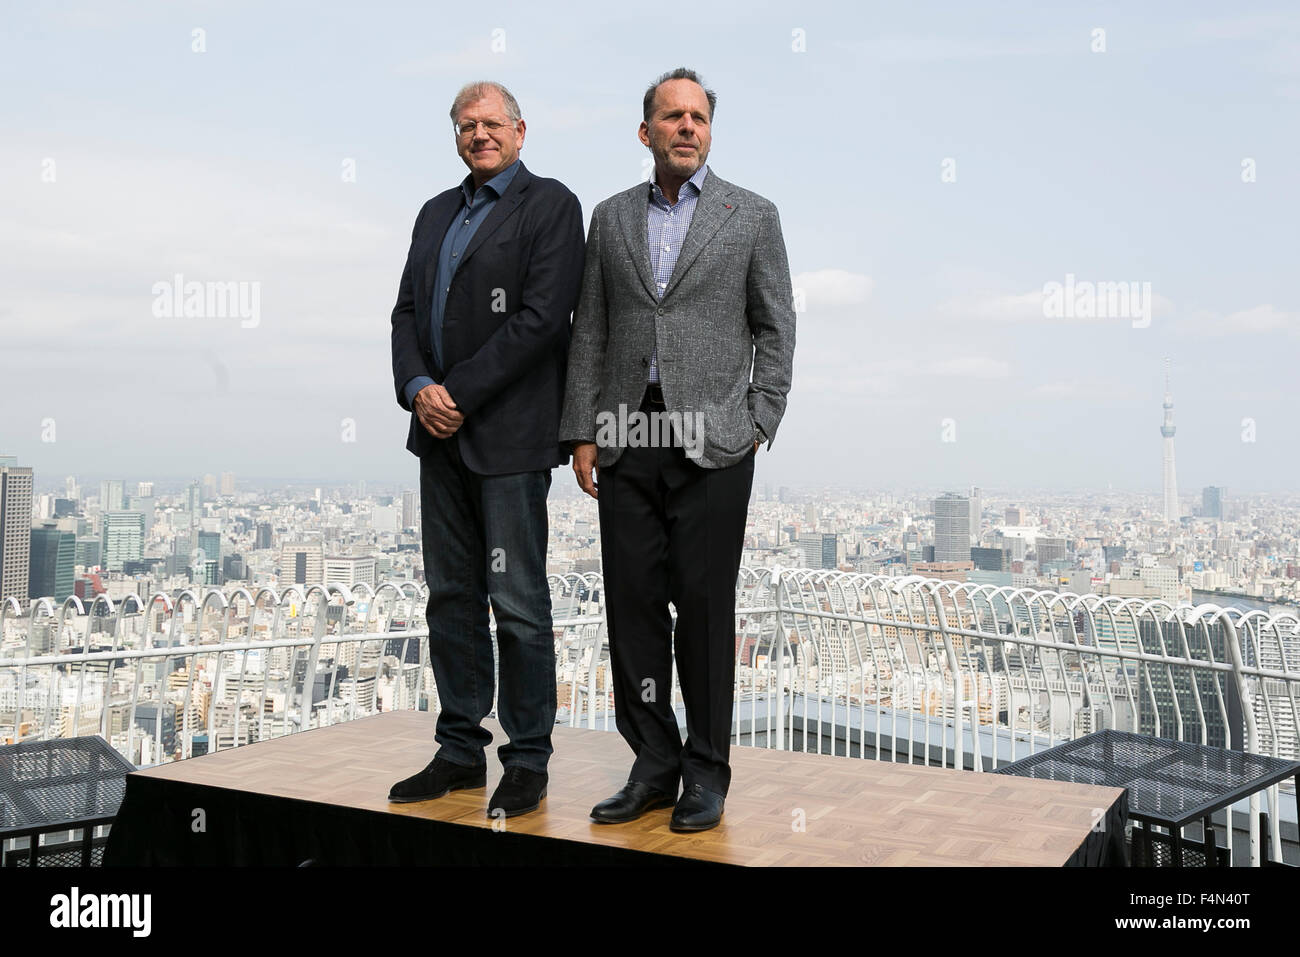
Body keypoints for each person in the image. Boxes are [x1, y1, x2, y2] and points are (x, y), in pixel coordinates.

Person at [559, 68, 795, 832]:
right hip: (628, 436)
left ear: (709, 131)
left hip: (716, 442)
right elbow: (589, 328)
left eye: (698, 117)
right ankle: (653, 765)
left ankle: (707, 771)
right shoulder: (611, 217)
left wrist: (761, 417)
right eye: (672, 116)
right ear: (646, 132)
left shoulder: (751, 215)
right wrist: (583, 430)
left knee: (702, 610)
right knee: (632, 612)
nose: (687, 127)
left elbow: (775, 326)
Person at [388, 80, 584, 818]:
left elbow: (539, 321)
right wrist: (416, 385)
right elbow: (407, 309)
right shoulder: (436, 211)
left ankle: (527, 756)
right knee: (451, 599)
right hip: (437, 436)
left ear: (521, 131)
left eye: (491, 123)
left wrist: (454, 392)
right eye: (466, 125)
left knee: (520, 604)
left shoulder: (551, 205)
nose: (479, 134)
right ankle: (459, 750)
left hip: (507, 438)